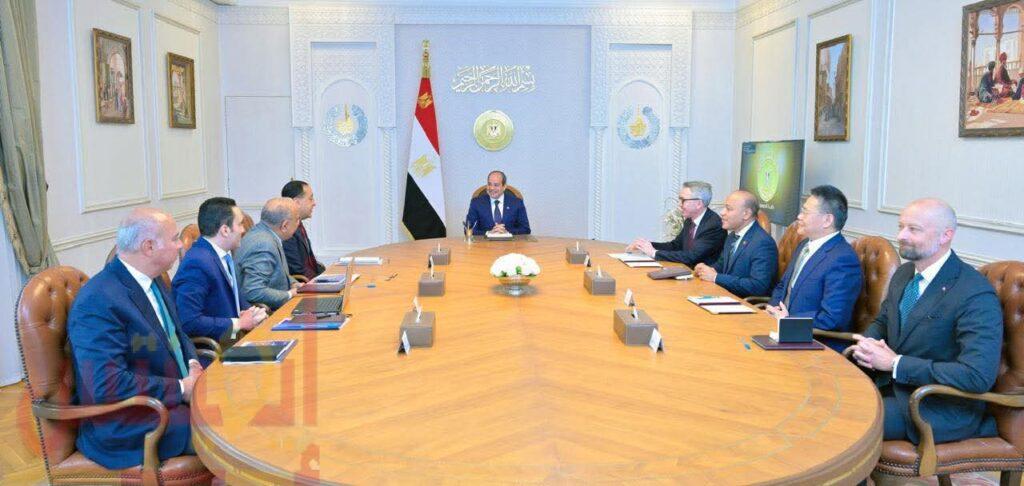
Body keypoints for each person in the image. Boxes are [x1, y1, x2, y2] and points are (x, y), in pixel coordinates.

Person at [850, 198, 1002, 444]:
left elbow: (977, 375)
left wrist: (896, 364)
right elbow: (884, 322)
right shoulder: (904, 274)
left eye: (914, 229)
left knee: (848, 421)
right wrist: (866, 345)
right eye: (901, 226)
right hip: (892, 389)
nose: (901, 236)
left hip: (938, 406)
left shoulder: (974, 293)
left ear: (946, 235)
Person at [67, 208, 203, 469]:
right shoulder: (98, 300)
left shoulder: (153, 279)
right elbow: (106, 384)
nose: (180, 246)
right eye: (175, 238)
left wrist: (193, 365)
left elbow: (177, 333)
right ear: (149, 247)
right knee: (225, 429)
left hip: (164, 396)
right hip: (129, 421)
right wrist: (182, 388)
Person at [765, 185, 862, 352]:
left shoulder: (843, 259)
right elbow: (783, 286)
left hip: (816, 344)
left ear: (827, 220)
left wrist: (789, 319)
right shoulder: (804, 244)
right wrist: (772, 310)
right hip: (781, 332)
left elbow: (832, 318)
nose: (799, 216)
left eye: (805, 212)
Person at [173, 197, 267, 343]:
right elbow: (189, 321)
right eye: (240, 224)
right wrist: (238, 323)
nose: (243, 230)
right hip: (219, 349)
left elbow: (234, 299)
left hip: (236, 340)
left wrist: (253, 314)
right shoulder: (197, 263)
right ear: (225, 230)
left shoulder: (222, 254)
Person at [693, 190, 777, 298]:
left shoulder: (762, 243)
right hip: (725, 295)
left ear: (746, 214)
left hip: (744, 302)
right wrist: (705, 270)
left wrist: (716, 277)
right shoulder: (732, 235)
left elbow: (757, 286)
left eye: (729, 209)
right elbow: (721, 265)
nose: (722, 212)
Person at [626, 180, 726, 267]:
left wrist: (654, 253)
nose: (679, 204)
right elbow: (675, 246)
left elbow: (691, 256)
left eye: (683, 200)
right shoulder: (690, 220)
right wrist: (645, 246)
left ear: (699, 204)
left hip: (703, 279)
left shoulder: (713, 225)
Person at [236, 198, 302, 310]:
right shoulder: (263, 244)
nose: (298, 223)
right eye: (297, 219)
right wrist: (289, 294)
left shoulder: (263, 233)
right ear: (285, 225)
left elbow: (275, 272)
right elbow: (253, 291)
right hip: (271, 313)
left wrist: (293, 283)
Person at [281, 180, 325, 280]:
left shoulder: (298, 224)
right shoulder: (288, 230)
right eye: (310, 199)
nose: (314, 203)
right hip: (304, 284)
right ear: (296, 203)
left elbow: (310, 263)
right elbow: (296, 271)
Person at [466, 170, 530, 235]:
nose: (491, 188)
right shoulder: (477, 203)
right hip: (484, 241)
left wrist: (507, 232)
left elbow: (526, 229)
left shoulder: (517, 203)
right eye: (489, 184)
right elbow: (467, 229)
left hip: (511, 241)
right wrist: (488, 233)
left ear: (504, 187)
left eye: (496, 185)